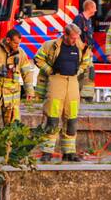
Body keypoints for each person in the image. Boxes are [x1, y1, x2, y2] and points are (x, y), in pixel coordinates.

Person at [34, 24, 92, 161]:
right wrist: (49, 70)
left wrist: (79, 71)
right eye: (72, 38)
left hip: (72, 82)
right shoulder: (51, 45)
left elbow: (86, 62)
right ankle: (47, 152)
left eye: (77, 38)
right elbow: (38, 59)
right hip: (56, 80)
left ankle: (69, 152)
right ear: (65, 36)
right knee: (52, 118)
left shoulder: (81, 47)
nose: (75, 40)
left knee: (71, 119)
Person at [0, 28, 36, 126]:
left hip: (12, 97)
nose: (17, 46)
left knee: (12, 129)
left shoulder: (21, 53)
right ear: (8, 40)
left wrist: (29, 90)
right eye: (15, 43)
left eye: (19, 44)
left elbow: (27, 73)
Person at [72, 0, 98, 101]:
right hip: (80, 51)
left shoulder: (88, 20)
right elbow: (75, 36)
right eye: (94, 8)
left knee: (89, 73)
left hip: (87, 51)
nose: (95, 10)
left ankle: (86, 96)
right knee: (81, 73)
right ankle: (83, 96)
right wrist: (85, 49)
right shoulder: (79, 19)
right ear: (90, 8)